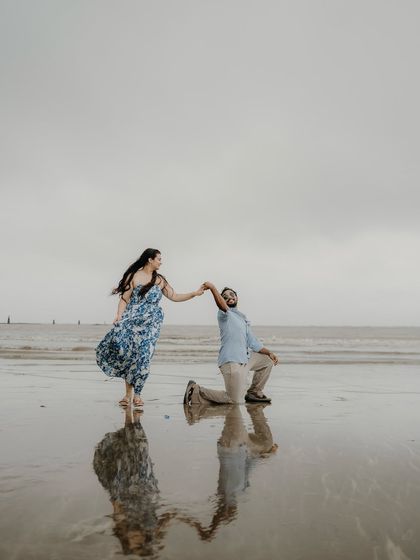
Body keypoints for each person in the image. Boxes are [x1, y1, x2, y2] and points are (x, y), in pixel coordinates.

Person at [96, 248, 204, 408]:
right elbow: (124, 299)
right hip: (132, 320)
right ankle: (127, 395)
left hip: (151, 324)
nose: (161, 262)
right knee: (130, 356)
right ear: (150, 260)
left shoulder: (160, 280)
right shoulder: (134, 276)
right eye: (159, 259)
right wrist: (119, 315)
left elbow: (174, 296)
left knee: (144, 357)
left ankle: (138, 395)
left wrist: (194, 293)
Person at [184, 283, 279, 405]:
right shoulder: (224, 314)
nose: (229, 297)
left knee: (267, 359)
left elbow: (253, 342)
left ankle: (254, 392)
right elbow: (222, 305)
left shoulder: (242, 318)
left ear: (237, 297)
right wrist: (213, 288)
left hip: (245, 360)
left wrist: (270, 352)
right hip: (231, 362)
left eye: (232, 294)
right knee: (234, 400)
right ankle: (195, 390)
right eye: (225, 296)